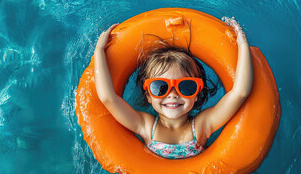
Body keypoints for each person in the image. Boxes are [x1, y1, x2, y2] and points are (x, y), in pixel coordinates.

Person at [94, 17, 253, 159]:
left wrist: (242, 44)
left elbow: (240, 92)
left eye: (186, 86)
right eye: (160, 87)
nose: (173, 94)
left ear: (197, 93)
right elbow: (109, 98)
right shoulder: (146, 126)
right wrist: (100, 50)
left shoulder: (201, 126)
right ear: (148, 95)